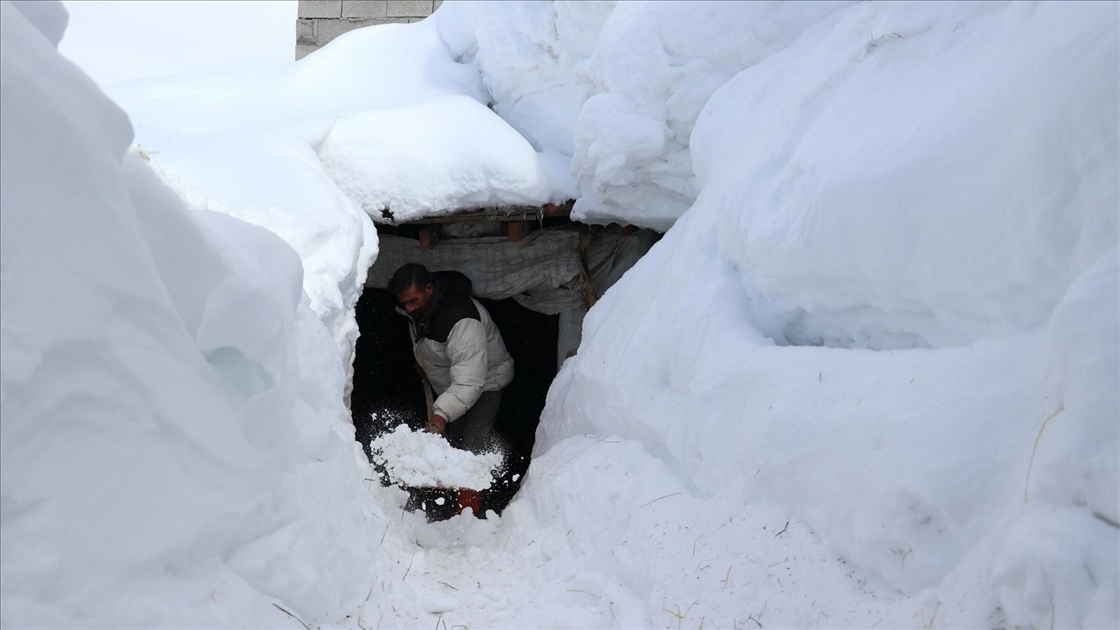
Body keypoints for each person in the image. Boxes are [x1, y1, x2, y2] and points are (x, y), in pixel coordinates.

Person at [388, 263, 514, 516]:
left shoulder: (463, 319)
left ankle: (467, 515)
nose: (408, 308)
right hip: (454, 383)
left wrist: (441, 413)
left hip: (486, 380)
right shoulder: (418, 309)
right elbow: (429, 339)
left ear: (430, 289)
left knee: (472, 446)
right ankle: (446, 505)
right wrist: (422, 360)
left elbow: (470, 380)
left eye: (413, 301)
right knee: (454, 442)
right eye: (404, 303)